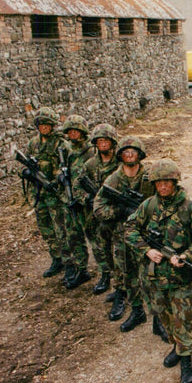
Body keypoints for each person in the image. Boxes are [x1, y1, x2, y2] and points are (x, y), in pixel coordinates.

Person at [125, 159, 192, 383]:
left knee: (182, 320)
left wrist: (186, 256)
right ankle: (176, 346)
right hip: (153, 279)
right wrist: (146, 250)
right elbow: (129, 229)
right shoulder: (148, 206)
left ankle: (186, 361)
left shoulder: (190, 209)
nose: (162, 186)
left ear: (174, 182)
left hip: (179, 279)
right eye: (158, 182)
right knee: (164, 317)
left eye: (166, 182)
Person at [93, 136, 154, 328]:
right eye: (126, 152)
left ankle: (158, 317)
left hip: (147, 235)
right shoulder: (114, 180)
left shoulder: (150, 177)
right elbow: (98, 208)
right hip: (122, 235)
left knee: (151, 276)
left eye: (133, 152)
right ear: (120, 155)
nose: (130, 155)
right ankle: (137, 311)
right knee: (127, 274)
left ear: (140, 154)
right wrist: (119, 211)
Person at [24, 107, 70, 279]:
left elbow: (66, 166)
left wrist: (56, 177)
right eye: (41, 124)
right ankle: (56, 258)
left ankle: (68, 262)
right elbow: (26, 162)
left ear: (52, 126)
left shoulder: (61, 144)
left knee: (61, 229)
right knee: (46, 229)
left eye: (47, 124)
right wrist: (27, 173)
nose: (44, 127)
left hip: (55, 194)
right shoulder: (33, 144)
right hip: (39, 193)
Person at [80, 124, 121, 297]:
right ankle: (105, 275)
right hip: (96, 214)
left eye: (106, 140)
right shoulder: (90, 165)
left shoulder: (120, 163)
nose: (103, 144)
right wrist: (87, 198)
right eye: (100, 141)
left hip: (115, 213)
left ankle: (121, 284)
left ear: (112, 142)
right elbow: (78, 186)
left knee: (118, 249)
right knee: (99, 247)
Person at [59, 114, 93, 290]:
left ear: (82, 132)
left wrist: (83, 199)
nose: (73, 135)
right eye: (70, 132)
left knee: (95, 240)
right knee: (73, 237)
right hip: (70, 201)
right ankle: (82, 269)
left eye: (76, 131)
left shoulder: (90, 151)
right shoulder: (67, 151)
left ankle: (107, 274)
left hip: (86, 204)